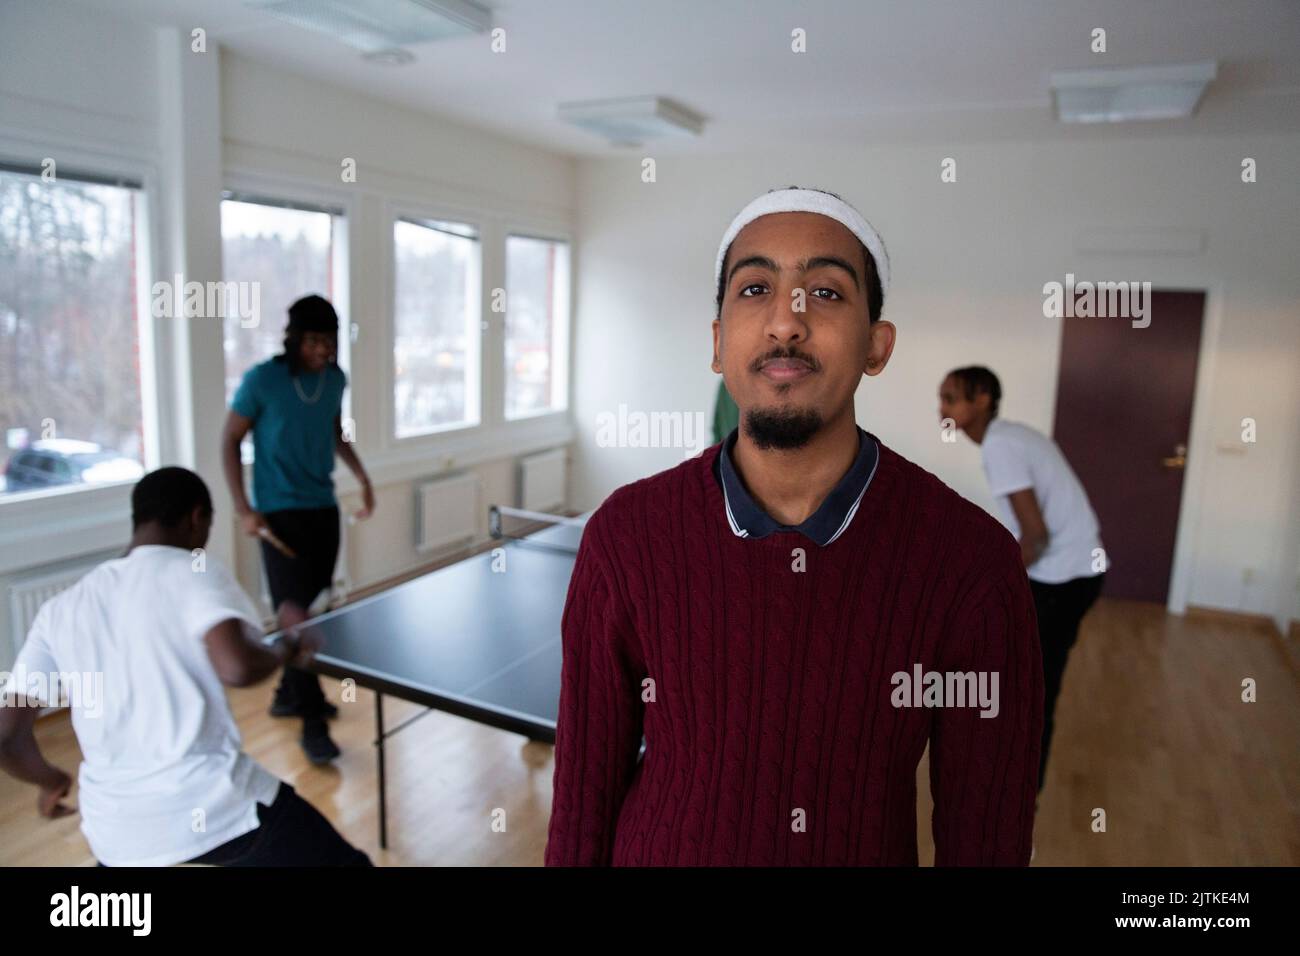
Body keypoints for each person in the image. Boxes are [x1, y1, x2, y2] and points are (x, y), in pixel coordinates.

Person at [546, 186, 1042, 866]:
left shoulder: (973, 566)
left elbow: (986, 834)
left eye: (828, 293)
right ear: (718, 344)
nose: (787, 321)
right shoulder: (624, 538)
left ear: (877, 345)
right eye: (755, 290)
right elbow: (582, 797)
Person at [0, 467, 371, 866]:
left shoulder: (59, 610)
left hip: (114, 832)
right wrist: (289, 645)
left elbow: (7, 733)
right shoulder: (193, 568)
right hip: (211, 807)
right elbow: (238, 667)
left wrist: (51, 780)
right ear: (197, 518)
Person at [939, 366, 1108, 793]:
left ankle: (1019, 793)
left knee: (1035, 687)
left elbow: (1035, 536)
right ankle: (1011, 776)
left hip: (1064, 578)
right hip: (1073, 572)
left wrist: (980, 583)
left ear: (981, 401)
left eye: (952, 398)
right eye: (941, 397)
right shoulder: (1008, 437)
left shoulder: (1000, 446)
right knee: (1020, 674)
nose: (942, 408)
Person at [221, 294, 374, 765]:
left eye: (328, 341)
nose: (322, 350)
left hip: (321, 509)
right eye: (313, 341)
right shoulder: (263, 381)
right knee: (296, 616)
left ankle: (290, 693)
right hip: (278, 514)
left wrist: (363, 477)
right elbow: (229, 440)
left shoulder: (334, 380)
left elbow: (333, 431)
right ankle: (311, 721)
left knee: (315, 610)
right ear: (294, 339)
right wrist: (244, 508)